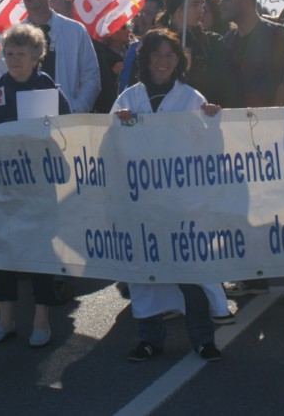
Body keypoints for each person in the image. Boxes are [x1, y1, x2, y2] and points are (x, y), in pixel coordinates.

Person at [113, 29, 223, 363]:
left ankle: (203, 339)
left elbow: (210, 145)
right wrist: (120, 124)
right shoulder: (128, 99)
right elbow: (110, 143)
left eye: (169, 56)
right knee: (145, 273)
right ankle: (149, 339)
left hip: (181, 203)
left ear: (179, 62)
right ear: (145, 59)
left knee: (190, 272)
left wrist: (212, 120)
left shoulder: (191, 98)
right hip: (142, 201)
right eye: (156, 55)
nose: (162, 62)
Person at [0, 23, 70, 348]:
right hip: (5, 188)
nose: (13, 59)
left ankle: (41, 320)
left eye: (21, 53)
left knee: (39, 253)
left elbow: (65, 135)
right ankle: (5, 319)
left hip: (39, 189)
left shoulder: (48, 90)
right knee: (3, 252)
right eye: (9, 53)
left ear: (36, 56)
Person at [0, 0, 100, 114]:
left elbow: (91, 77)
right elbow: (2, 78)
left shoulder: (75, 30)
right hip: (21, 122)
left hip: (65, 121)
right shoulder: (12, 34)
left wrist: (76, 108)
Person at [219, 0, 284, 108]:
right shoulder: (227, 41)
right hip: (234, 123)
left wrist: (275, 120)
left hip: (269, 121)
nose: (221, 4)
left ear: (246, 1)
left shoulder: (276, 34)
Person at [154, 0, 225, 104]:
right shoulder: (153, 42)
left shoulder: (213, 42)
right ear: (177, 6)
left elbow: (223, 86)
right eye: (195, 4)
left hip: (202, 115)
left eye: (202, 3)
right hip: (163, 116)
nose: (201, 9)